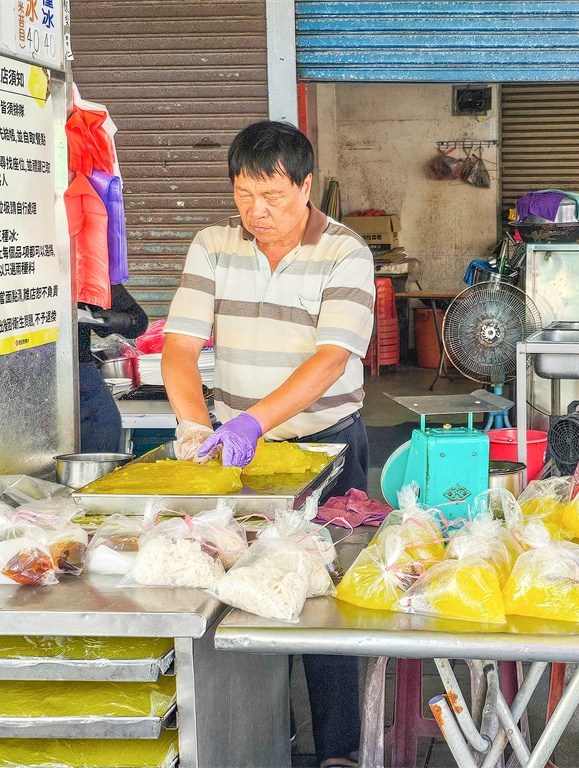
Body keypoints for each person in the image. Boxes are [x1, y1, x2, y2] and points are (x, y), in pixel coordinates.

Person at [161, 120, 375, 768]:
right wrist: (199, 425)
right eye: (244, 195)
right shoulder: (213, 245)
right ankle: (261, 739)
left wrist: (255, 419)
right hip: (236, 458)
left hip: (324, 447)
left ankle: (337, 749)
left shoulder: (344, 251)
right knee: (244, 590)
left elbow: (331, 360)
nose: (258, 211)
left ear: (305, 187)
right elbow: (179, 347)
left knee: (323, 598)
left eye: (274, 196)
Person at [78, 283, 149, 453]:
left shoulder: (81, 266)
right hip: (21, 374)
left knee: (104, 427)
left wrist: (117, 320)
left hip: (80, 372)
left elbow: (137, 320)